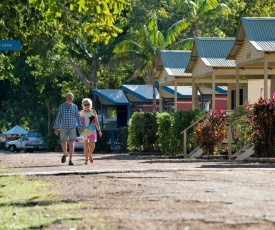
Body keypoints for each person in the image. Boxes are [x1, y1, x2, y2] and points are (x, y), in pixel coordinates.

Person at [53, 93, 82, 165]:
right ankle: (65, 153)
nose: (70, 99)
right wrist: (56, 127)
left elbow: (78, 117)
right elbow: (58, 117)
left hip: (72, 127)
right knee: (63, 142)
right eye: (69, 97)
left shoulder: (74, 107)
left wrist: (80, 126)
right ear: (66, 98)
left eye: (71, 98)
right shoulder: (61, 107)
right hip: (63, 127)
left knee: (72, 142)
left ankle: (71, 160)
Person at [79, 98, 102, 164]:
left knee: (92, 145)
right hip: (84, 130)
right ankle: (86, 159)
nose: (87, 105)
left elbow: (97, 122)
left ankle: (89, 155)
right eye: (85, 104)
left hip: (92, 129)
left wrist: (99, 130)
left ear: (90, 104)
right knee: (85, 145)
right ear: (83, 105)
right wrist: (79, 128)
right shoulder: (81, 113)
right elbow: (78, 122)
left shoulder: (93, 112)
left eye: (88, 104)